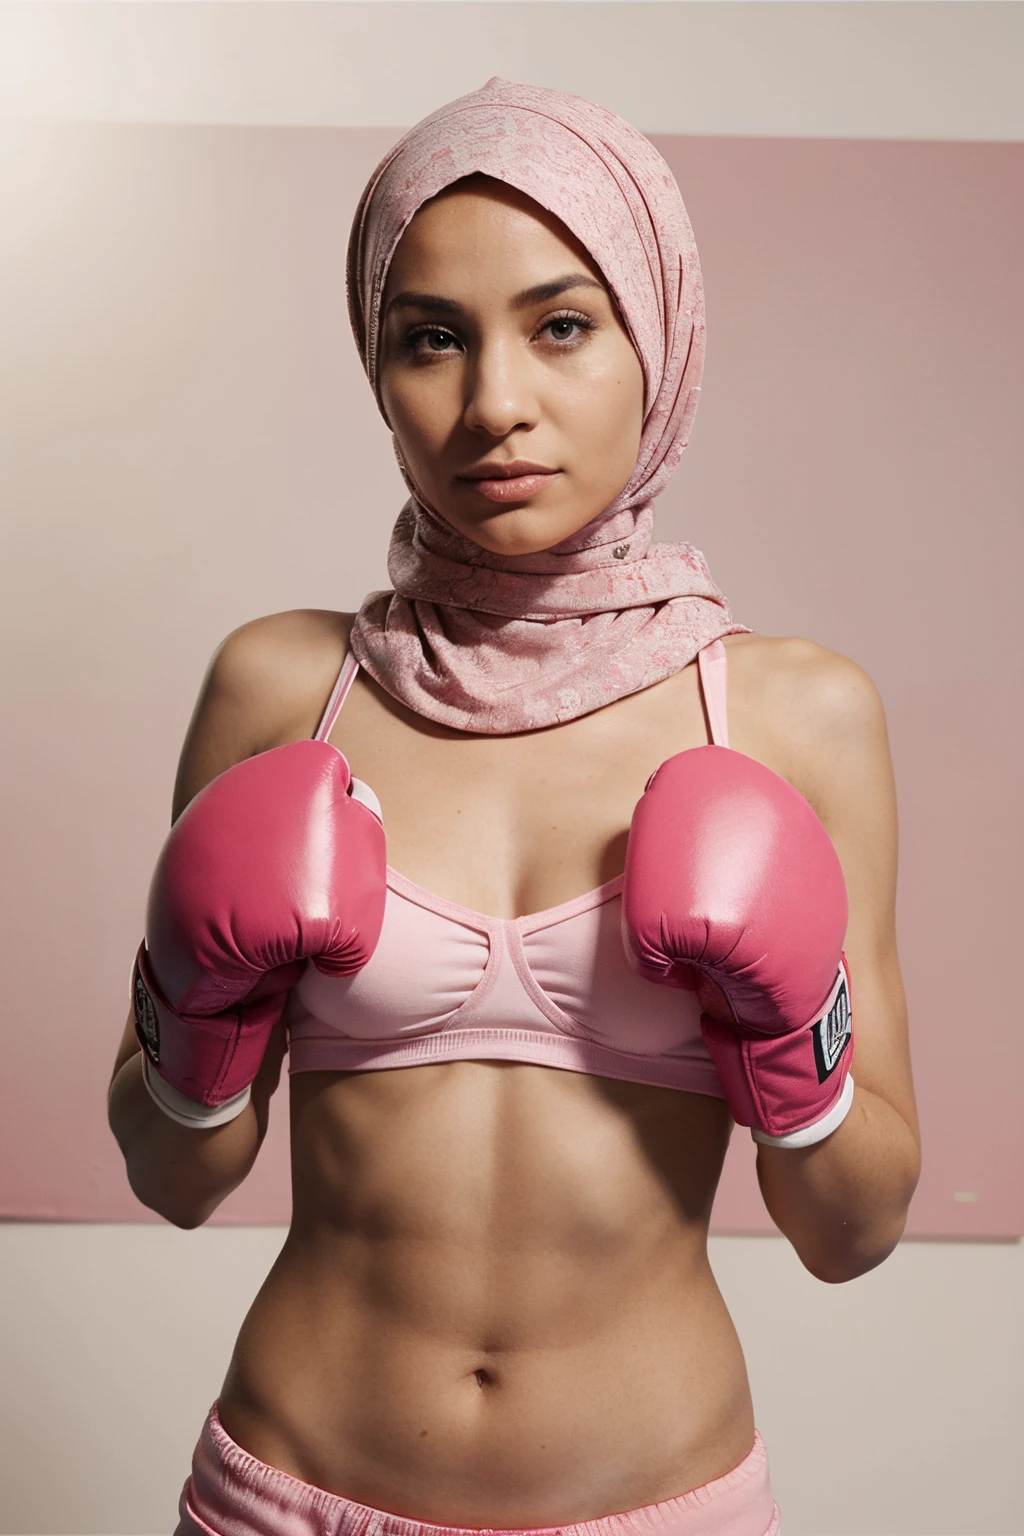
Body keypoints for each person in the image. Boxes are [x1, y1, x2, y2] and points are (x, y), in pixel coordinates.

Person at [107, 77, 920, 1536]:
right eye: (432, 338)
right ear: (377, 363)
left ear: (654, 340)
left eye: (560, 325)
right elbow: (176, 1176)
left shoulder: (795, 714)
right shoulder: (285, 686)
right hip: (287, 1496)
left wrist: (794, 1039)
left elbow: (853, 1231)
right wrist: (199, 1016)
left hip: (652, 1503)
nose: (495, 403)